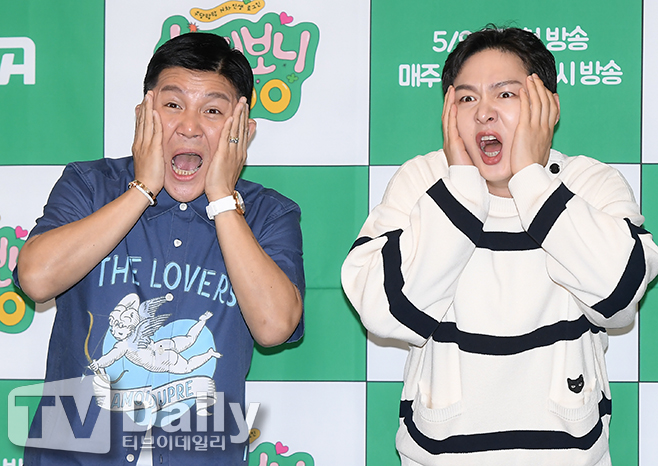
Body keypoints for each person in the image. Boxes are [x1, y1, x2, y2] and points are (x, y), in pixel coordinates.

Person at [341, 26, 658, 466]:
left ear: (547, 106)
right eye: (467, 98)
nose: (484, 113)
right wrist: (461, 188)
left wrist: (533, 182)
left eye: (505, 94)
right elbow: (383, 310)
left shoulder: (588, 182)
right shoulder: (423, 181)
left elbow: (618, 298)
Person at [15, 32, 304, 464]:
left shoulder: (267, 214)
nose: (189, 127)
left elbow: (274, 325)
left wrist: (222, 200)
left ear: (243, 131)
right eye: (172, 105)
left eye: (212, 111)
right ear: (143, 115)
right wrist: (142, 188)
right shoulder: (90, 186)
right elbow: (36, 279)